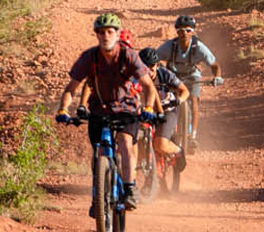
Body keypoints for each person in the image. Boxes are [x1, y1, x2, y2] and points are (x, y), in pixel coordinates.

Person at [55, 11, 158, 213]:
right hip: (99, 110)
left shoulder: (129, 56)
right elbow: (72, 88)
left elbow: (148, 86)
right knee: (98, 153)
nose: (105, 36)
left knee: (125, 142)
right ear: (97, 35)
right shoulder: (89, 57)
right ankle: (97, 197)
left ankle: (129, 189)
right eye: (101, 32)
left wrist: (147, 107)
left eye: (109, 32)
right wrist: (63, 109)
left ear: (117, 34)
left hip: (126, 109)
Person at [146, 15, 224, 144]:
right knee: (166, 99)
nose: (184, 34)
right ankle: (166, 129)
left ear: (193, 31)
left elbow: (215, 65)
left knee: (194, 99)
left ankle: (192, 136)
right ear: (177, 32)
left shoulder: (199, 47)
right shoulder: (169, 46)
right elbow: (154, 58)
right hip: (173, 75)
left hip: (192, 75)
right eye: (181, 31)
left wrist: (218, 77)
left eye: (188, 30)